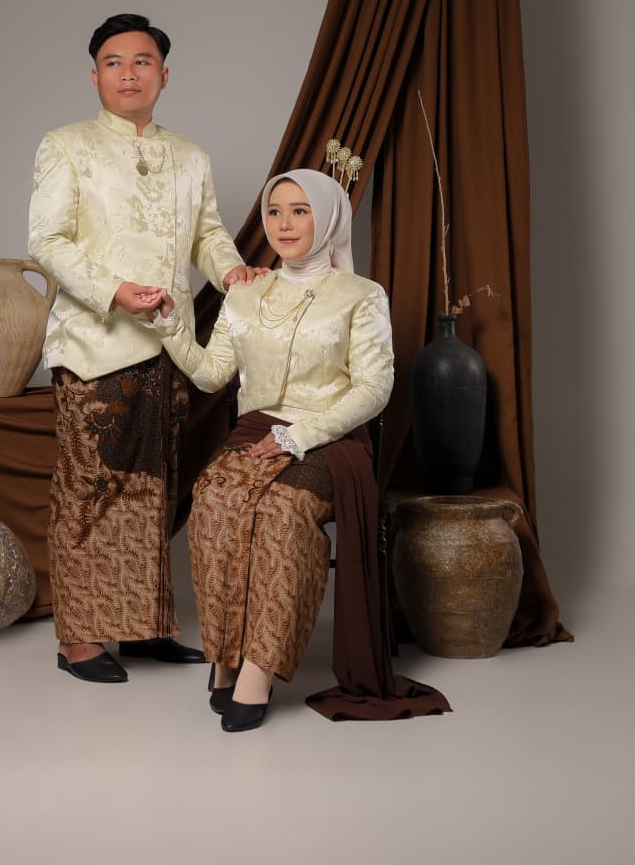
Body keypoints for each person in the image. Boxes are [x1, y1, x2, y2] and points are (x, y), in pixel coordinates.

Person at [142, 169, 450, 729]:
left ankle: (258, 671)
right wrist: (169, 325)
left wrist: (298, 435)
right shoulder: (245, 292)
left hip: (331, 442)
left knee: (281, 512)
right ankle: (224, 659)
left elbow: (374, 389)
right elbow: (211, 374)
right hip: (254, 434)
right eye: (275, 211)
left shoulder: (361, 295)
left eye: (300, 211)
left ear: (327, 219)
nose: (283, 224)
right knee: (212, 499)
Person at [28, 13, 262, 685]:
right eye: (114, 62)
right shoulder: (67, 145)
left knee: (155, 488)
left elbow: (208, 237)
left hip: (171, 344)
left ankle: (143, 625)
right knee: (90, 489)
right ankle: (80, 639)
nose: (128, 74)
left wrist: (234, 273)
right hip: (95, 343)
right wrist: (114, 290)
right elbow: (46, 241)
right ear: (94, 76)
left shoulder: (190, 156)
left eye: (141, 61)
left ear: (164, 74)